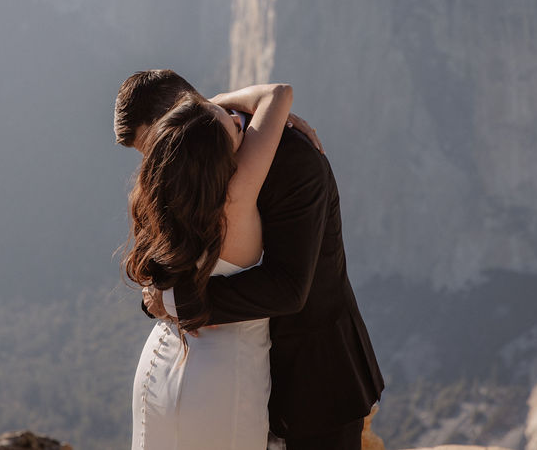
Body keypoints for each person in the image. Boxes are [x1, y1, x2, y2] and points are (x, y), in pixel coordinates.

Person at [115, 70, 384, 450]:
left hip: (313, 385)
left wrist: (179, 301)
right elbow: (161, 252)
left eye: (158, 143)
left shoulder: (295, 161)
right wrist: (158, 292)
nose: (162, 160)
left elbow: (289, 288)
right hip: (220, 379)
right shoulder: (186, 162)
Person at [123, 81, 293, 449]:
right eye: (232, 123)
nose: (239, 120)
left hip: (160, 363)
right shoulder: (237, 199)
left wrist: (201, 114)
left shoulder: (163, 202)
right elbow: (278, 94)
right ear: (218, 153)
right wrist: (215, 102)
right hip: (222, 380)